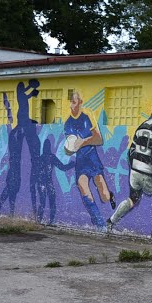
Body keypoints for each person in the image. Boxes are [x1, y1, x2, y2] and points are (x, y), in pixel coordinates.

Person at [107, 102, 152, 238]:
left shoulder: (141, 127)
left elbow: (130, 152)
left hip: (134, 171)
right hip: (147, 172)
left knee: (133, 199)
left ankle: (111, 222)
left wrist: (134, 168)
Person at [63, 91, 115, 227]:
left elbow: (99, 139)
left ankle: (110, 194)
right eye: (70, 102)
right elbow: (69, 147)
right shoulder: (67, 124)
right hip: (81, 161)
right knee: (84, 191)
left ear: (80, 102)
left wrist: (83, 142)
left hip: (92, 157)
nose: (71, 105)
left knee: (105, 197)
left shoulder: (87, 116)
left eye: (74, 102)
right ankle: (99, 224)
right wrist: (69, 149)